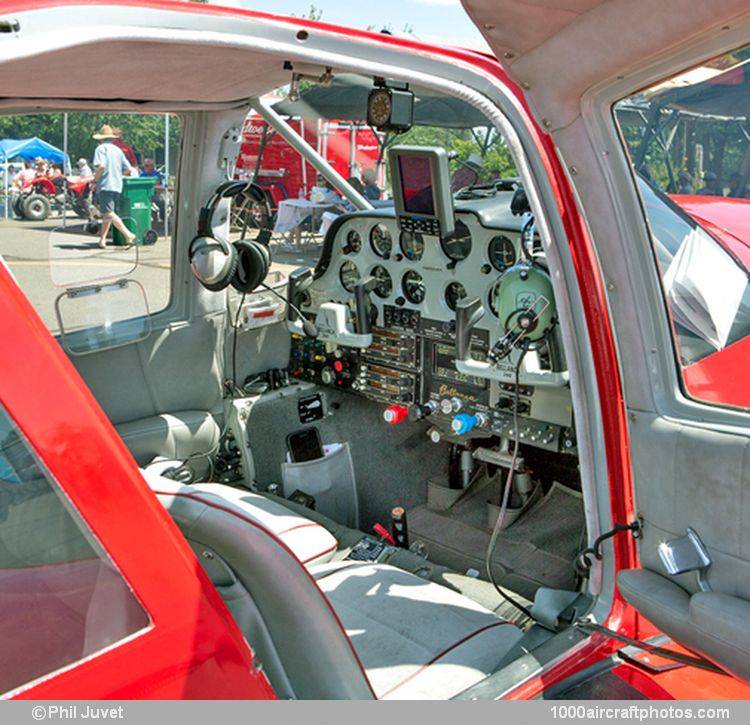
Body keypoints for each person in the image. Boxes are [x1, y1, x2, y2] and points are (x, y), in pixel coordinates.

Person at [91, 124, 136, 248]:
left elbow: (101, 166)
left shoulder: (100, 149)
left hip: (105, 184)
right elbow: (128, 169)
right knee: (107, 214)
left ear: (100, 138)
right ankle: (102, 240)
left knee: (109, 212)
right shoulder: (118, 150)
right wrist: (117, 174)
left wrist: (94, 181)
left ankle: (128, 234)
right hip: (117, 185)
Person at [141, 157, 166, 222]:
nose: (148, 167)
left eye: (150, 165)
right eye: (146, 166)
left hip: (156, 194)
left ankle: (163, 220)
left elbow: (159, 183)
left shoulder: (158, 174)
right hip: (144, 195)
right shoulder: (142, 175)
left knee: (162, 202)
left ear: (153, 166)